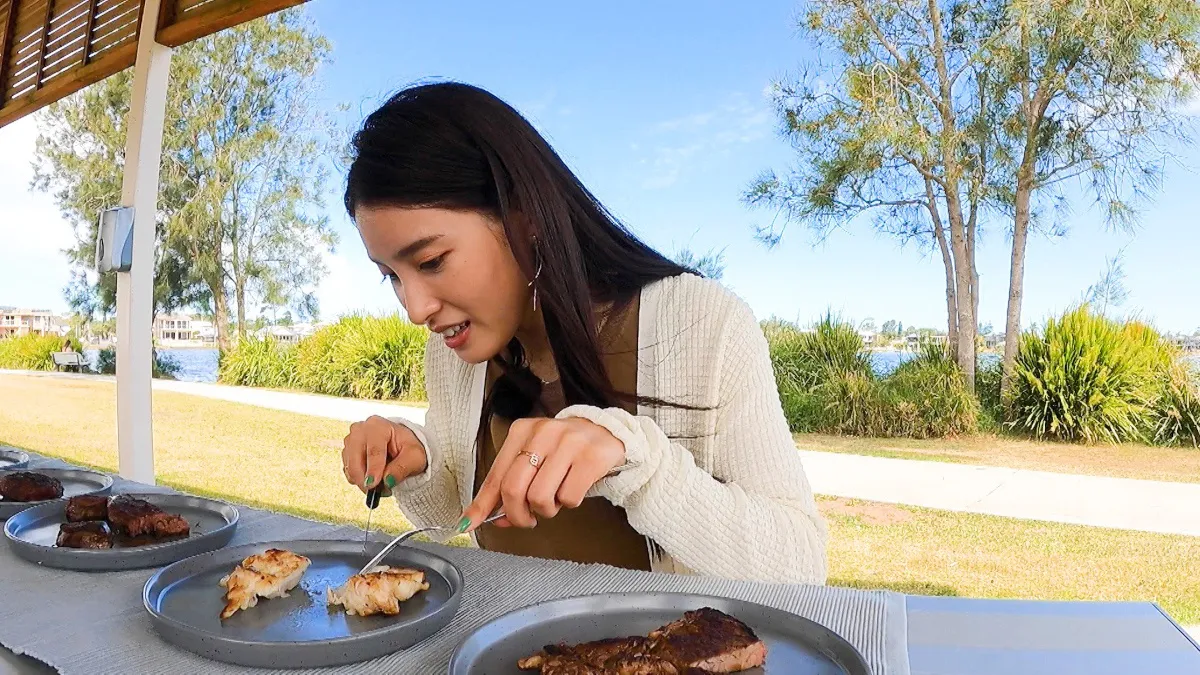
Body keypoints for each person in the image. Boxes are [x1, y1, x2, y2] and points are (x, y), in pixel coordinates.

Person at [339, 82, 827, 584]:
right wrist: (419, 458)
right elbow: (449, 519)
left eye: (432, 261)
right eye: (392, 276)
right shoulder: (453, 349)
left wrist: (636, 464)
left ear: (522, 219)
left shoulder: (703, 322)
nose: (416, 309)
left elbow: (801, 570)